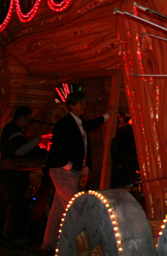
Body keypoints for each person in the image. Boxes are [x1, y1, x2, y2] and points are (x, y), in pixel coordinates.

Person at [42, 92, 109, 254]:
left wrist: (108, 116)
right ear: (71, 105)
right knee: (77, 206)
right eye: (81, 104)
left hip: (72, 171)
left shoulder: (80, 123)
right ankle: (87, 245)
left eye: (85, 104)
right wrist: (68, 165)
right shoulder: (64, 124)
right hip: (62, 171)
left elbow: (90, 125)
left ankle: (49, 245)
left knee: (58, 211)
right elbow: (57, 148)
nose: (84, 107)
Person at [0, 107, 42, 244]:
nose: (28, 123)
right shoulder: (13, 130)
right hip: (12, 173)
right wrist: (37, 140)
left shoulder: (12, 130)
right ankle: (13, 237)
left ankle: (8, 236)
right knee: (15, 204)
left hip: (10, 172)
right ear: (22, 117)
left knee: (9, 203)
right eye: (28, 119)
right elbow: (20, 150)